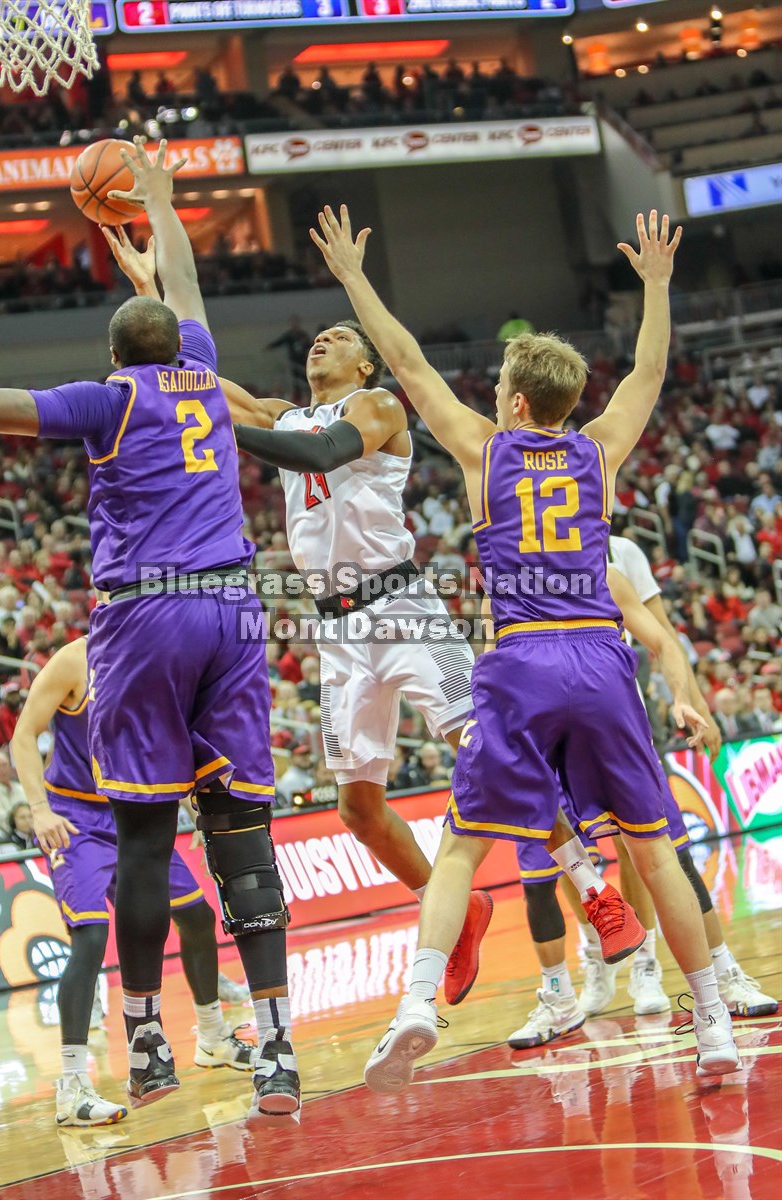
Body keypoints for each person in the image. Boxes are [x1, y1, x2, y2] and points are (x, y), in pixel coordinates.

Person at [105, 198, 642, 1010]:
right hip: (337, 630)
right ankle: (456, 913)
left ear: (364, 367)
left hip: (405, 610)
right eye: (317, 337)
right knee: (357, 808)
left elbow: (317, 451)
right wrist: (155, 310)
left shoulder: (380, 409)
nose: (322, 341)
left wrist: (218, 425)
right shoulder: (285, 411)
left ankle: (595, 892)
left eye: (339, 338)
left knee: (494, 755)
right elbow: (195, 385)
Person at [310, 204, 740, 1090]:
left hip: (522, 660)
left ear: (512, 401)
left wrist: (354, 277)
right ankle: (714, 1025)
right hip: (599, 657)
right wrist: (657, 285)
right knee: (652, 849)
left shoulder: (485, 449)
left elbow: (407, 362)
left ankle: (418, 1003)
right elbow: (650, 369)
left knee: (463, 847)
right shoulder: (599, 451)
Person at [0, 140, 299, 1116]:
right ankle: (278, 1049)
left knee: (146, 839)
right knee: (242, 833)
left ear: (117, 355)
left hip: (145, 617)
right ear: (175, 346)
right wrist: (161, 202)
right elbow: (188, 291)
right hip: (233, 609)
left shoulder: (108, 399)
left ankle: (151, 1041)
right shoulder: (201, 372)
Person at [507, 563, 776, 1049]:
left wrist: (690, 700)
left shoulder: (611, 563)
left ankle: (694, 971)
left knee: (666, 855)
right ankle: (579, 975)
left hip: (614, 726)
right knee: (545, 868)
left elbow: (663, 636)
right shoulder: (509, 573)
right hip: (545, 735)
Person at [11, 636, 257, 1127]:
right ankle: (72, 1086)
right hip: (74, 818)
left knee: (197, 916)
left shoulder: (154, 655)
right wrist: (38, 810)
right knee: (91, 936)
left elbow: (169, 738)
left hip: (135, 813)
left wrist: (193, 802)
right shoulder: (73, 660)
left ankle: (212, 1038)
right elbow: (23, 735)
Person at [0, 747, 28, 831]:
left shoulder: (20, 788)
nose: (2, 770)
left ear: (10, 766)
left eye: (5, 765)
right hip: (3, 834)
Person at [0, 681, 25, 747]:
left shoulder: (17, 710)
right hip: (4, 748)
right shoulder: (1, 715)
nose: (15, 697)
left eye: (16, 693)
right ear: (4, 698)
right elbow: (8, 742)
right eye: (10, 695)